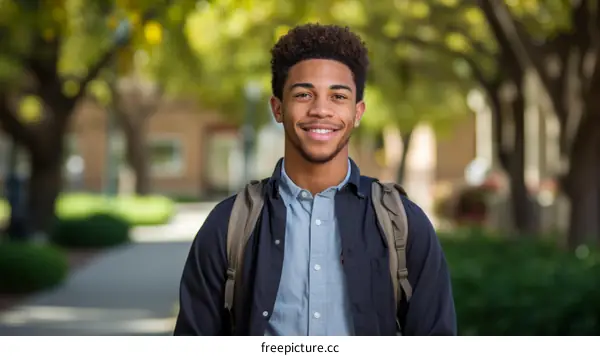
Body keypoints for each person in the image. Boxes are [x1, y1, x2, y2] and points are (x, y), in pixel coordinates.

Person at [173, 23, 457, 336]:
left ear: (357, 112)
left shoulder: (403, 224)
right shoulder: (228, 225)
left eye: (338, 96)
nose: (321, 110)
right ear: (278, 108)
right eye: (304, 94)